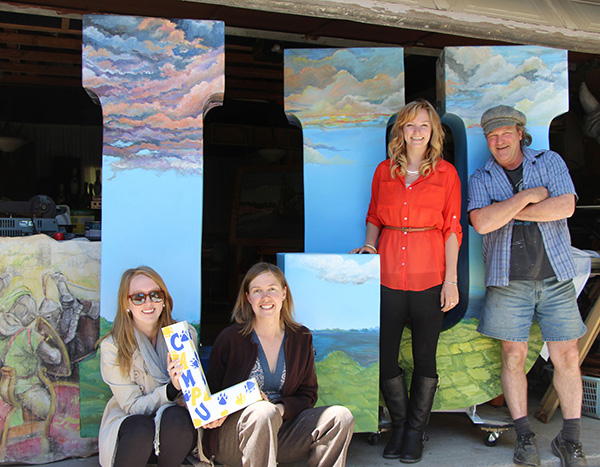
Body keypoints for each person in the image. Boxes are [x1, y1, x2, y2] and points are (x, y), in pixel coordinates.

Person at [468, 105, 587, 467]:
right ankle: (524, 436)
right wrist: (524, 198)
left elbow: (564, 206)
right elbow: (482, 223)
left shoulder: (549, 161)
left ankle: (570, 439)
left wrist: (505, 210)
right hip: (508, 281)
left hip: (556, 276)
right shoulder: (481, 176)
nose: (499, 140)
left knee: (567, 356)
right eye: (492, 135)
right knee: (513, 356)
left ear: (521, 133)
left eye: (506, 132)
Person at [351, 99, 462, 463]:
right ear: (401, 130)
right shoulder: (384, 171)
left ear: (434, 133)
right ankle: (398, 426)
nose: (417, 132)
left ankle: (415, 432)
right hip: (387, 278)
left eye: (424, 126)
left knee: (424, 357)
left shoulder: (446, 174)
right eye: (410, 125)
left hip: (430, 277)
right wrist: (369, 245)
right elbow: (374, 216)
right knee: (385, 356)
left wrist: (451, 281)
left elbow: (451, 229)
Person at [203, 262, 354, 467]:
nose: (265, 297)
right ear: (248, 297)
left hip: (282, 431)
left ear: (284, 293)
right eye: (257, 291)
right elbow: (209, 394)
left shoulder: (301, 337)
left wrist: (279, 410)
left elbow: (307, 394)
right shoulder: (231, 339)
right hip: (234, 439)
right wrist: (249, 401)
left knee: (340, 417)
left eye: (272, 289)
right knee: (262, 412)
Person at [98, 266, 205, 467]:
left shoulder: (183, 335)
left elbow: (194, 395)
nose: (148, 303)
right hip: (134, 435)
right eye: (138, 297)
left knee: (176, 416)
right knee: (141, 425)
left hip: (174, 436)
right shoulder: (113, 346)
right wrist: (171, 390)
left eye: (155, 295)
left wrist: (185, 393)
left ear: (164, 300)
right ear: (126, 303)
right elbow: (132, 406)